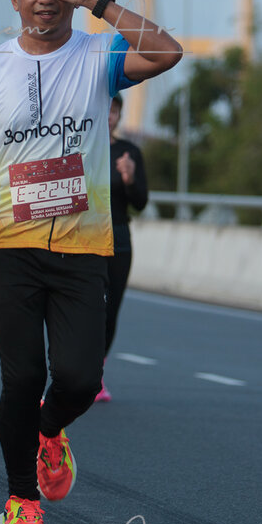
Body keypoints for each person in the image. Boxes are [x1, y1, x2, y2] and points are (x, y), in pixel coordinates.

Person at [0, 0, 182, 524]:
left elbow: (167, 52)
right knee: (21, 377)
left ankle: (48, 429)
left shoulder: (99, 54)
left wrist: (98, 2)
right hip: (8, 243)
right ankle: (21, 502)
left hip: (83, 246)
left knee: (80, 380)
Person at [95, 92, 148, 403]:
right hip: (83, 237)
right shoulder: (80, 146)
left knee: (110, 309)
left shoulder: (129, 152)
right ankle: (73, 370)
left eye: (114, 111)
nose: (109, 116)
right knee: (82, 306)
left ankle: (96, 374)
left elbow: (141, 202)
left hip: (118, 238)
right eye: (105, 109)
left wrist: (129, 178)